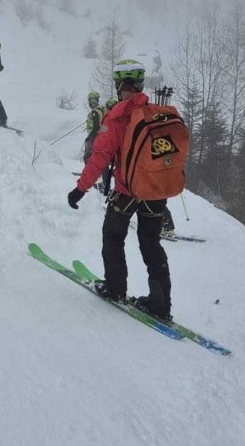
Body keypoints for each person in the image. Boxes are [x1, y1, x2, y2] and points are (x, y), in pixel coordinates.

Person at [67, 58, 172, 319]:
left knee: (113, 236)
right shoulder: (156, 112)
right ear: (140, 85)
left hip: (128, 191)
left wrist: (80, 189)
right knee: (151, 244)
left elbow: (99, 157)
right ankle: (160, 305)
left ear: (120, 85)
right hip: (156, 192)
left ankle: (115, 289)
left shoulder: (117, 117)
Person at [83, 91, 105, 163]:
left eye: (91, 100)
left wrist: (90, 137)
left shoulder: (95, 111)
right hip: (100, 137)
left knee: (89, 158)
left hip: (95, 138)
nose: (90, 102)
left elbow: (96, 127)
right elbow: (102, 126)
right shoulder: (101, 110)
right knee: (99, 159)